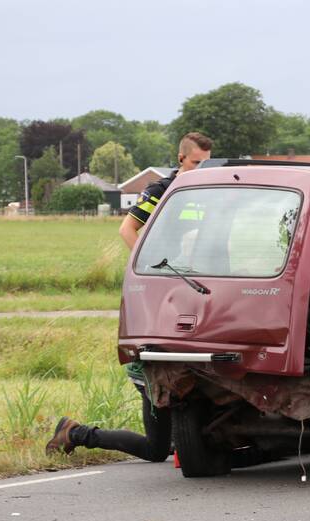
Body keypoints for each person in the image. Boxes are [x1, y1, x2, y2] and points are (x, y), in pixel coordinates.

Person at [45, 133, 213, 461]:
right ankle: (75, 433)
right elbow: (127, 230)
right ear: (181, 159)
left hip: (185, 290)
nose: (202, 169)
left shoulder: (205, 193)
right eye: (196, 163)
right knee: (155, 449)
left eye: (207, 163)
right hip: (161, 297)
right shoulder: (161, 191)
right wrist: (151, 269)